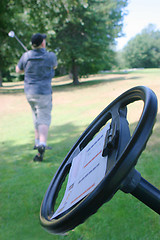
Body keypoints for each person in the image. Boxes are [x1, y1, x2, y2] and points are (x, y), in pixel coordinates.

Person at [16, 33, 57, 161]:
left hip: (30, 92)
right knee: (44, 118)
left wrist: (28, 66)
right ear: (43, 43)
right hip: (43, 92)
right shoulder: (50, 56)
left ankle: (37, 141)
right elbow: (54, 66)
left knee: (36, 116)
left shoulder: (26, 56)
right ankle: (42, 144)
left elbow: (18, 70)